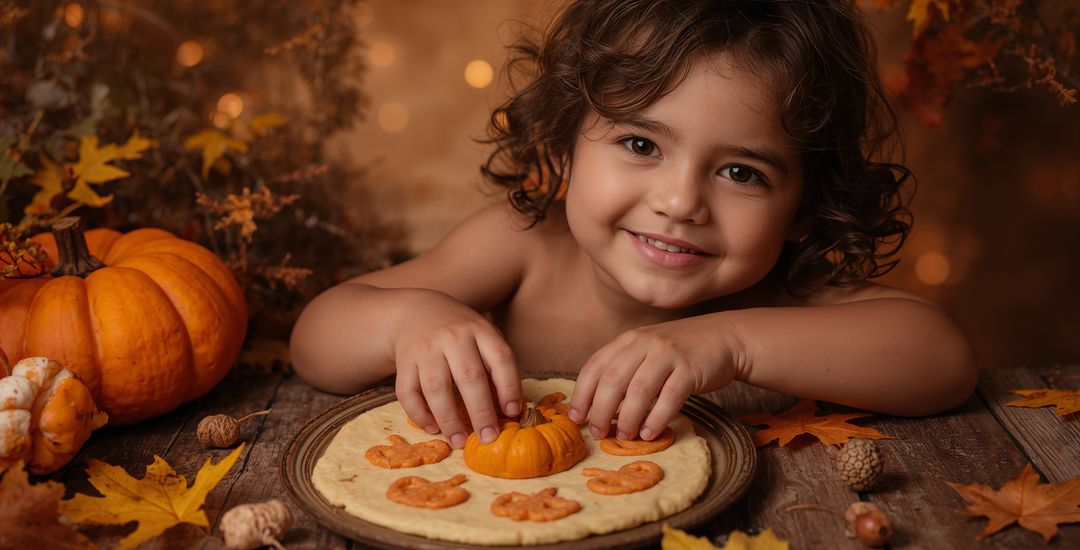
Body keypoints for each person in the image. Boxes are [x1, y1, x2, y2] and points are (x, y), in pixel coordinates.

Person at [290, 0, 978, 451]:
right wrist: (408, 321)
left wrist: (732, 343)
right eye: (641, 145)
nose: (681, 202)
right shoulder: (523, 245)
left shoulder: (780, 293)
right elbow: (317, 339)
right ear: (561, 147)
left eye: (742, 172)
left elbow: (943, 362)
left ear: (803, 207)